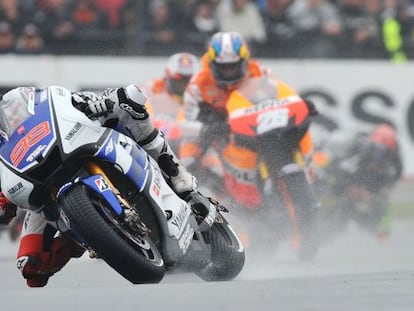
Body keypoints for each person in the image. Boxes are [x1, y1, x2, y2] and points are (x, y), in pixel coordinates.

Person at [0, 84, 209, 287]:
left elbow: (64, 102)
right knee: (31, 268)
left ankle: (181, 179)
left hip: (76, 143)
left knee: (129, 105)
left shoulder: (30, 101)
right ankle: (92, 236)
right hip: (45, 188)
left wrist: (104, 102)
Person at [179, 31, 315, 183]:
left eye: (233, 66)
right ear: (212, 65)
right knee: (188, 163)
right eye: (223, 67)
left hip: (260, 125)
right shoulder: (198, 85)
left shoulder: (260, 71)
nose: (228, 72)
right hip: (225, 132)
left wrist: (299, 104)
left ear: (244, 62)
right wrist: (207, 129)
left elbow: (282, 95)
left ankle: (308, 171)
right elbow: (187, 120)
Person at [319, 123, 403, 239]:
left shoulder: (392, 156)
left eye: (386, 150)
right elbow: (338, 169)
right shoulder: (357, 149)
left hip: (368, 187)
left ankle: (377, 231)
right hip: (345, 183)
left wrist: (382, 190)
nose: (377, 160)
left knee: (379, 205)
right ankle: (324, 226)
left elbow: (395, 174)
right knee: (338, 203)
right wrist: (350, 187)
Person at [141, 52, 200, 154]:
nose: (183, 85)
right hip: (159, 144)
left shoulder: (201, 95)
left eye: (188, 81)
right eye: (178, 79)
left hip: (191, 145)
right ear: (168, 76)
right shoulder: (152, 89)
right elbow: (142, 120)